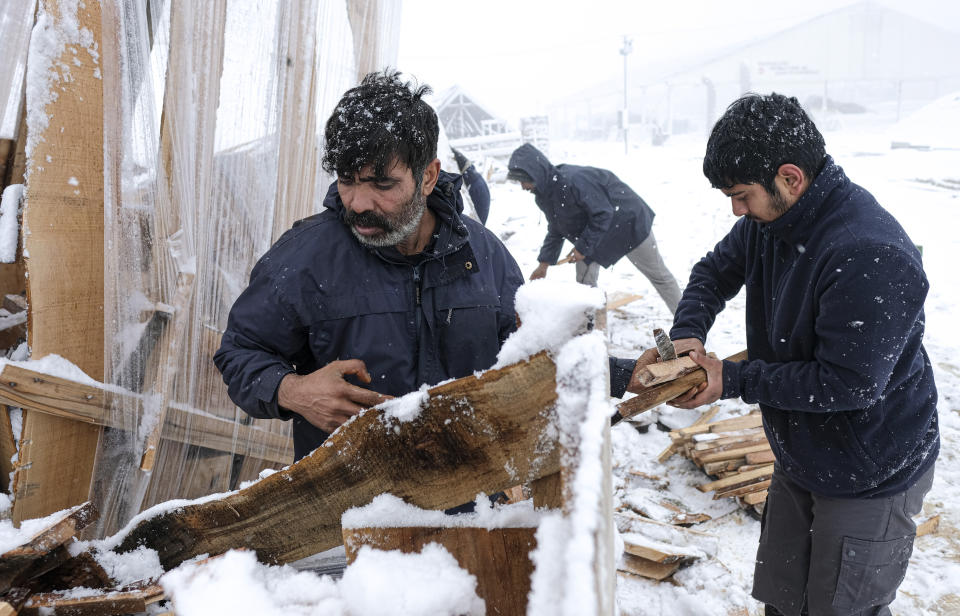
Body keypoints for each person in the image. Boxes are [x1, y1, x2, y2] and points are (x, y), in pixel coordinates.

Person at [635, 93, 939, 616]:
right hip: (802, 452)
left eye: (741, 196)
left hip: (870, 467)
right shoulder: (771, 221)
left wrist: (733, 378)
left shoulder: (869, 253)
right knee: (785, 604)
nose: (736, 210)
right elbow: (713, 271)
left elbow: (848, 384)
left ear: (791, 177)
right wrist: (687, 336)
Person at [214, 71, 524, 462]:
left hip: (471, 503)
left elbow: (533, 353)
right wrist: (293, 390)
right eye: (347, 180)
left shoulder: (483, 256)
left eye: (381, 184)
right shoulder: (304, 258)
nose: (358, 202)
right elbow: (240, 351)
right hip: (347, 508)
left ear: (427, 176)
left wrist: (615, 374)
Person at [506, 143, 682, 314]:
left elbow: (603, 213)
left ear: (535, 174)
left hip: (628, 224)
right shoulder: (543, 195)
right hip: (595, 233)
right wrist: (543, 264)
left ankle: (688, 326)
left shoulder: (574, 181)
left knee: (659, 276)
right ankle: (591, 332)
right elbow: (556, 228)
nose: (522, 187)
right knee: (585, 287)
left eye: (523, 181)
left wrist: (582, 248)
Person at [452, 147, 491, 225]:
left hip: (473, 185)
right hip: (475, 180)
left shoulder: (442, 148)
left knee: (477, 227)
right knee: (478, 228)